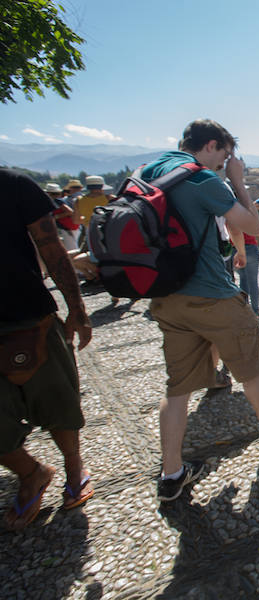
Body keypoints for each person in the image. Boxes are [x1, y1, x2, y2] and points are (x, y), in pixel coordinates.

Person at [143, 119, 259, 502]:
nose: (224, 163)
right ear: (211, 145)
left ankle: (172, 473)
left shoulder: (147, 172)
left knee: (176, 388)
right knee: (250, 365)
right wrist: (237, 180)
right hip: (211, 292)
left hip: (165, 297)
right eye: (224, 155)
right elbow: (253, 224)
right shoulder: (200, 178)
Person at [1, 168, 94, 531]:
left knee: (58, 401)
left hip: (27, 316)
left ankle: (74, 466)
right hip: (25, 315)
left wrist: (77, 307)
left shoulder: (13, 186)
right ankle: (32, 472)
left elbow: (50, 246)